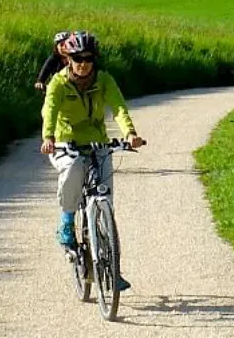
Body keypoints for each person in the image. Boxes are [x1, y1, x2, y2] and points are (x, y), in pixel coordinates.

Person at [39, 32, 146, 283]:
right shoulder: (58, 83)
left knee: (105, 197)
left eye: (88, 58)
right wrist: (48, 138)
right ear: (69, 59)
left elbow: (118, 107)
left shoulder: (104, 80)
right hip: (64, 141)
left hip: (97, 140)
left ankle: (111, 267)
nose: (83, 63)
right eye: (77, 58)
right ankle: (66, 222)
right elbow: (50, 111)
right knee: (73, 168)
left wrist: (130, 133)